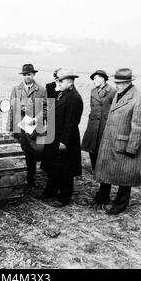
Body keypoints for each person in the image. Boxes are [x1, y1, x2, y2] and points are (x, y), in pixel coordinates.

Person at [94, 68, 141, 215]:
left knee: (126, 176)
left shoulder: (139, 99)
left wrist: (132, 148)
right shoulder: (118, 94)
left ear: (128, 83)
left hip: (124, 144)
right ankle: (102, 197)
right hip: (110, 141)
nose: (116, 85)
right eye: (115, 82)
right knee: (106, 169)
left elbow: (138, 127)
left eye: (119, 83)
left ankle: (120, 205)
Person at [40, 69, 83, 207]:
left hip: (65, 139)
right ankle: (51, 191)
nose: (58, 83)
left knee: (66, 170)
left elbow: (71, 122)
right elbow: (54, 111)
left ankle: (64, 198)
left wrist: (64, 141)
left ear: (70, 82)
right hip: (55, 135)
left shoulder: (74, 97)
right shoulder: (63, 94)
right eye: (58, 80)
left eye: (61, 80)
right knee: (54, 166)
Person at [8, 64, 47, 186]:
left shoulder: (41, 90)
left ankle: (31, 177)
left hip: (33, 126)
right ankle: (18, 177)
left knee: (31, 153)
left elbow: (46, 109)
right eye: (25, 75)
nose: (27, 77)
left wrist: (37, 118)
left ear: (34, 75)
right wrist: (10, 127)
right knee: (18, 150)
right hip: (19, 126)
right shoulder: (16, 89)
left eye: (29, 74)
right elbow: (11, 109)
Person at [81, 70, 117, 173]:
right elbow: (92, 108)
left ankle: (101, 169)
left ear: (102, 79)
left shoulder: (112, 91)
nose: (94, 81)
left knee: (103, 148)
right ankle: (94, 168)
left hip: (104, 124)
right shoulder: (93, 91)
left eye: (95, 79)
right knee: (92, 148)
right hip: (93, 124)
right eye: (93, 79)